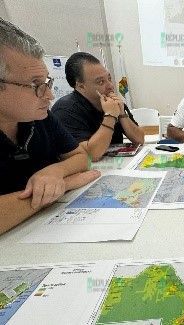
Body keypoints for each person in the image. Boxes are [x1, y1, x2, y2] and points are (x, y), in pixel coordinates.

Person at [0, 18, 100, 235]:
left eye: (47, 83)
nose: (50, 95)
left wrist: (56, 171)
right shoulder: (63, 108)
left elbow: (82, 158)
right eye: (35, 85)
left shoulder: (39, 116)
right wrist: (63, 185)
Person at [51, 52, 145, 162]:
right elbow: (92, 155)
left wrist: (122, 114)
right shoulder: (65, 109)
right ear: (81, 86)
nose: (110, 86)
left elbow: (140, 139)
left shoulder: (112, 101)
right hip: (85, 172)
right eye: (101, 82)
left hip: (115, 166)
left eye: (109, 78)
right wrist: (110, 116)